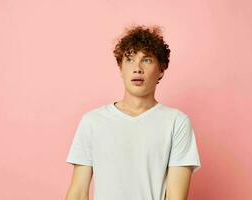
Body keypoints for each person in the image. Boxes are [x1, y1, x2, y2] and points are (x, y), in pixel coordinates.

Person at [65, 24, 201, 200]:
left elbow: (176, 197)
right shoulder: (92, 121)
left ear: (161, 70)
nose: (137, 68)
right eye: (129, 59)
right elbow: (78, 192)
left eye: (147, 60)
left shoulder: (177, 122)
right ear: (120, 68)